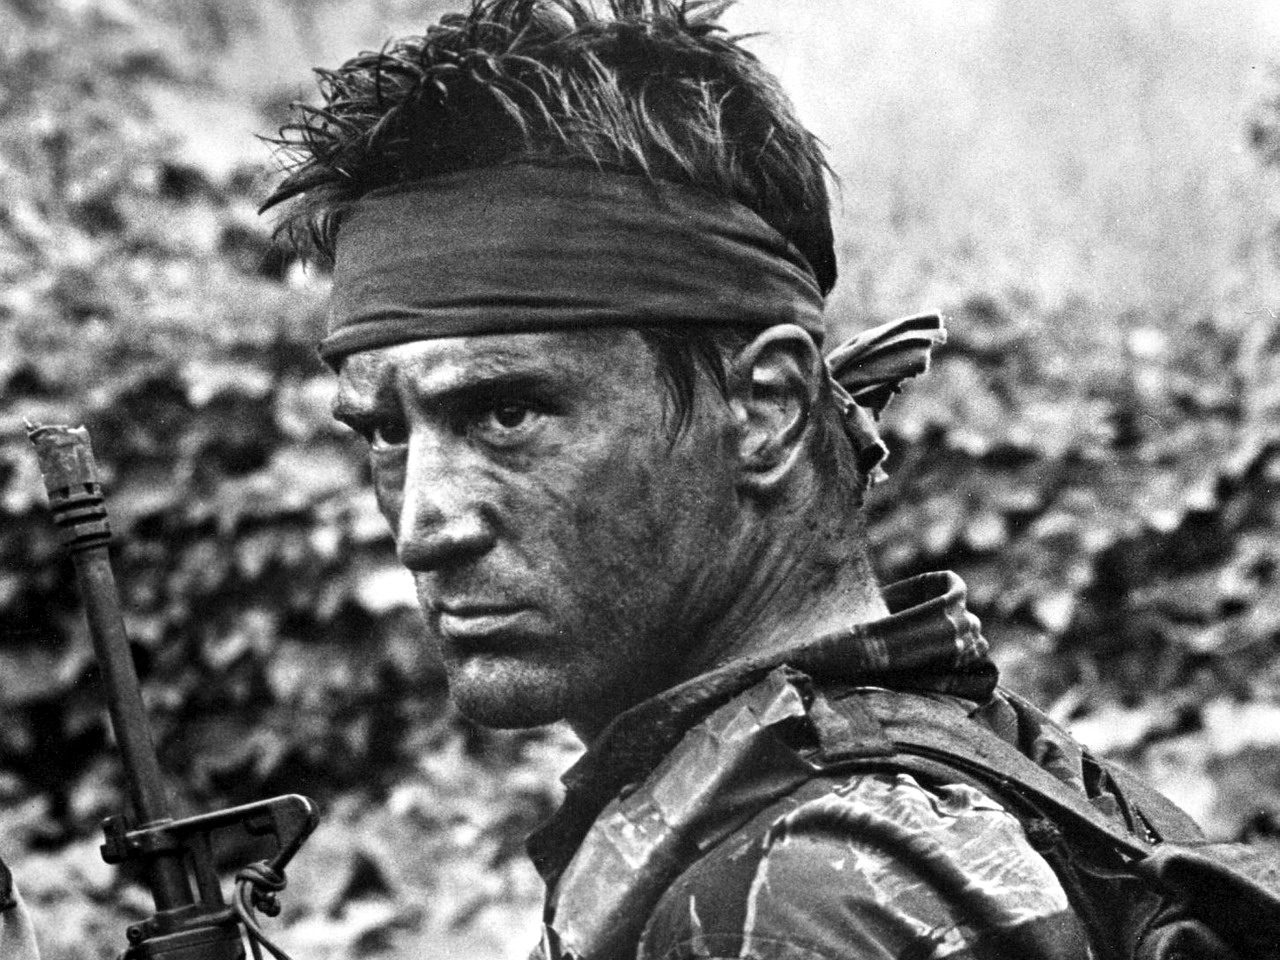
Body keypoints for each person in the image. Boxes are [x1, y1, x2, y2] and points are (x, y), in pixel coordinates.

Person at [262, 3, 1189, 958]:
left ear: (766, 407)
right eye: (386, 432)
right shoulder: (1017, 773)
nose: (424, 526)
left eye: (507, 414)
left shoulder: (801, 897)